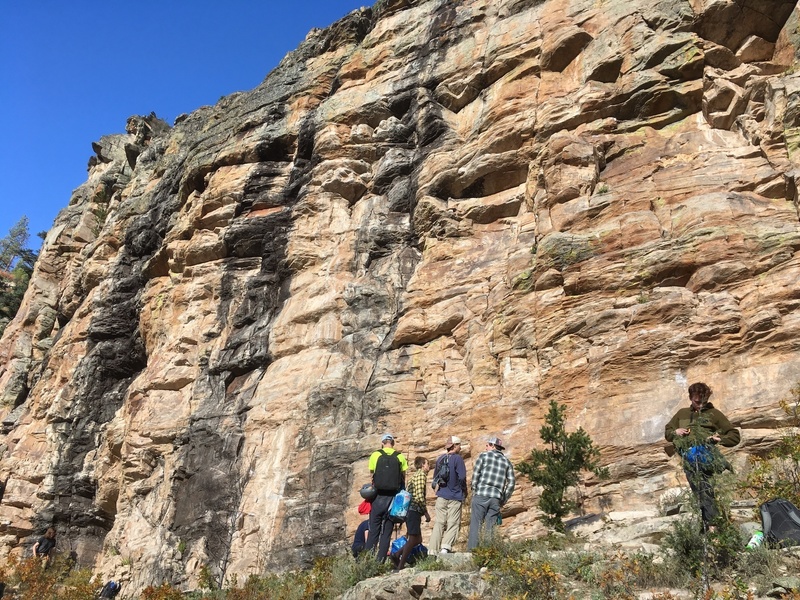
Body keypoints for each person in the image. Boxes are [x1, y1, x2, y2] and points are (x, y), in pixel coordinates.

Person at [665, 382, 740, 530]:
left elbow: (734, 436)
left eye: (702, 400)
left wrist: (719, 439)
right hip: (688, 458)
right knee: (699, 491)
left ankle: (713, 527)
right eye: (696, 400)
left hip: (706, 456)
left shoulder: (714, 414)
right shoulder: (681, 413)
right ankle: (710, 527)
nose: (699, 403)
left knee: (703, 488)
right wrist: (676, 432)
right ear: (690, 397)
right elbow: (668, 432)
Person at [365, 433, 408, 562]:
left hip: (377, 498)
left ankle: (367, 561)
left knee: (374, 531)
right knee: (386, 532)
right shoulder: (400, 456)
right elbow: (403, 477)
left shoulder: (375, 455)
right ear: (392, 443)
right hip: (393, 499)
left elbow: (372, 475)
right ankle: (380, 561)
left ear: (382, 443)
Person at [467, 437, 515, 550]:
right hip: (496, 498)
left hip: (481, 494)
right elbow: (512, 482)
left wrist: (475, 490)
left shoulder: (483, 456)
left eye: (488, 445)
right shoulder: (507, 462)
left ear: (493, 446)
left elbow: (476, 475)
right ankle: (488, 553)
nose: (486, 447)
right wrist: (504, 498)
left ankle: (472, 552)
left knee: (476, 524)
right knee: (490, 527)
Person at [429, 435, 467, 554]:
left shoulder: (440, 459)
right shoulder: (458, 459)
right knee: (453, 522)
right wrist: (463, 490)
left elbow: (435, 477)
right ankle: (445, 548)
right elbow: (462, 477)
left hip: (441, 496)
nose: (460, 447)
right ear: (455, 446)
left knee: (439, 523)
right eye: (459, 445)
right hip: (454, 496)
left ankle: (432, 550)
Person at [396, 457, 431, 570]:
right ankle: (400, 563)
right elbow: (419, 496)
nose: (429, 466)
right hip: (414, 510)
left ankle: (397, 554)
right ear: (422, 465)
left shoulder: (414, 476)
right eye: (427, 464)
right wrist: (426, 512)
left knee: (418, 539)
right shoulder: (421, 476)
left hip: (410, 511)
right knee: (412, 539)